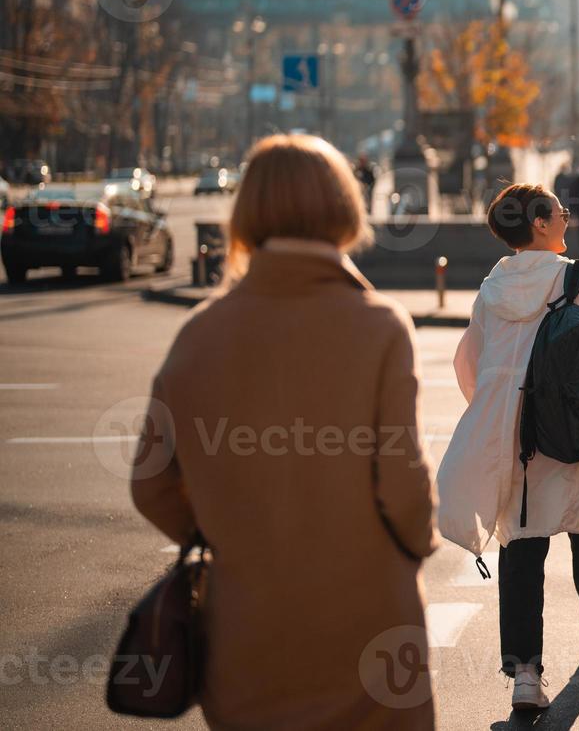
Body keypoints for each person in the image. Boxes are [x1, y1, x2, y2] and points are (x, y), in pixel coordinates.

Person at [130, 135, 438, 729]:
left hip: (246, 626)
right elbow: (403, 482)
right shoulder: (377, 326)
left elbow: (151, 484)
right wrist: (411, 550)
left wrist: (233, 539)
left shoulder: (199, 334)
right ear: (344, 207)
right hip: (369, 617)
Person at [438, 182, 579, 712]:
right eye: (558, 211)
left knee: (522, 547)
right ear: (538, 223)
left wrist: (497, 413)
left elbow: (471, 363)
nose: (566, 216)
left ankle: (526, 674)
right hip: (578, 426)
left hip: (516, 433)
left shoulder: (492, 288)